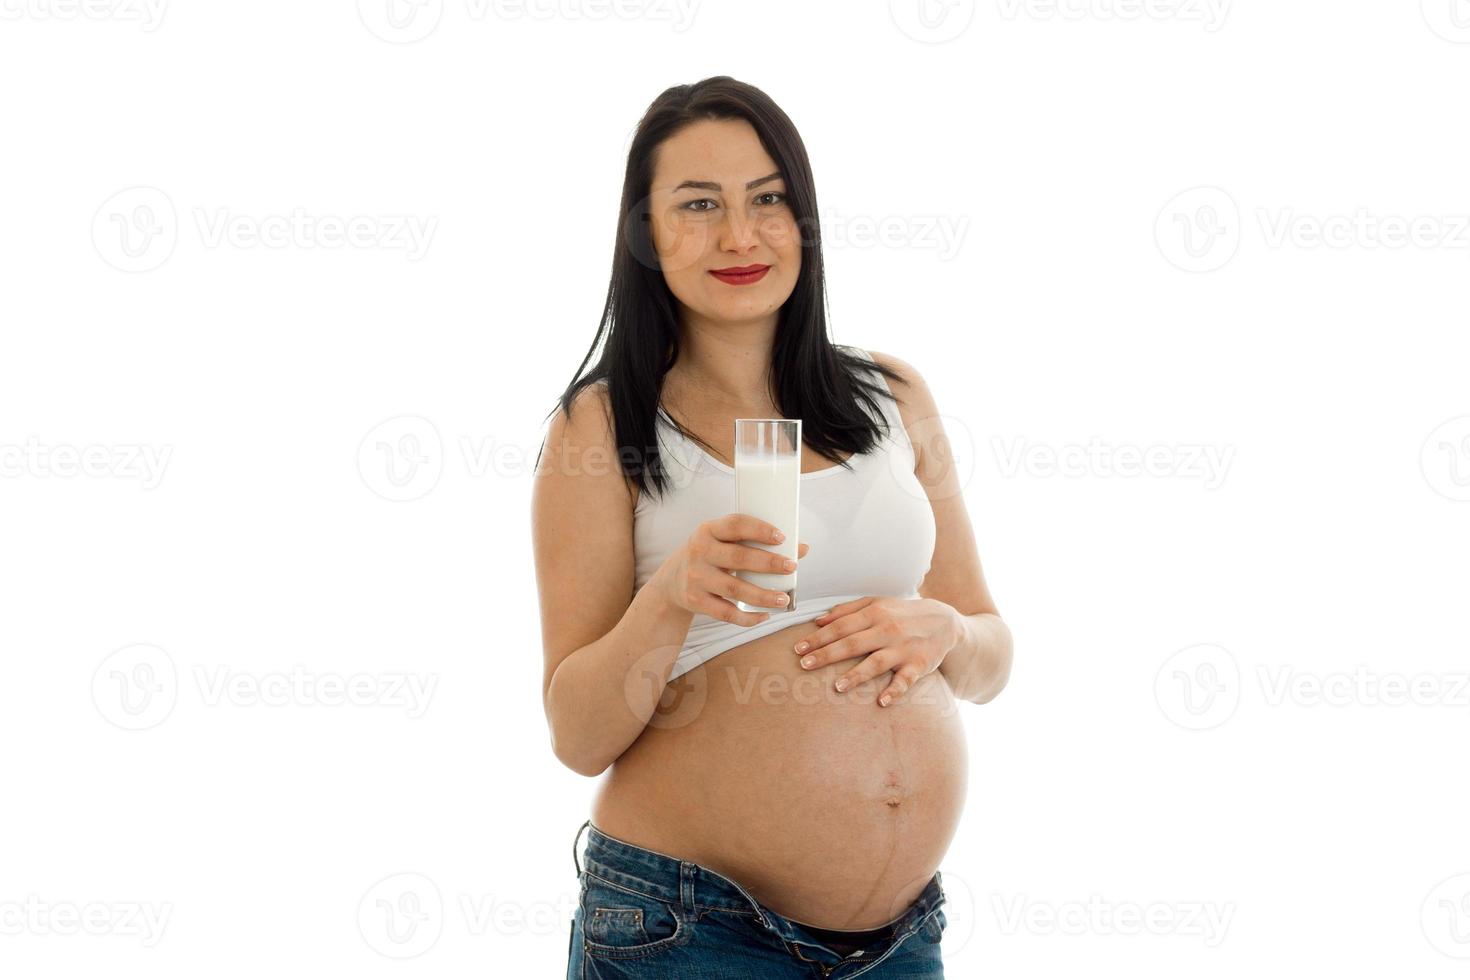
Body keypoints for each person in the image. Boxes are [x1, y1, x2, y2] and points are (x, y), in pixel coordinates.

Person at [532, 75, 1013, 978]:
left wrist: (946, 629)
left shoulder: (895, 394)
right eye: (699, 204)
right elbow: (576, 734)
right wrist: (669, 598)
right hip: (690, 930)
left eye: (768, 200)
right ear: (645, 232)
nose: (740, 236)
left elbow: (992, 652)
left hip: (901, 939)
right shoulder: (601, 427)